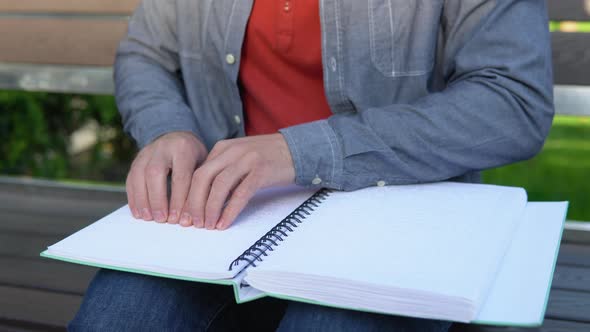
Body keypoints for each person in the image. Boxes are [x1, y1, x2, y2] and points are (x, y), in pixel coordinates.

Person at [69, 0, 554, 330]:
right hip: (220, 224)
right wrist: (167, 127)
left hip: (399, 224)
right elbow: (146, 55)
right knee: (117, 317)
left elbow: (513, 102)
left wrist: (299, 151)